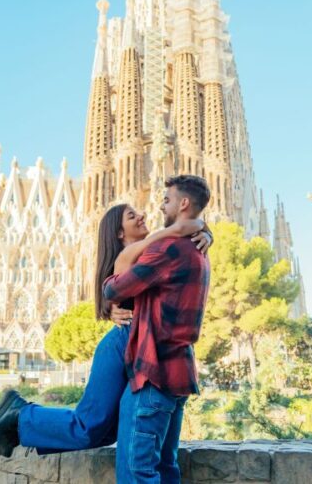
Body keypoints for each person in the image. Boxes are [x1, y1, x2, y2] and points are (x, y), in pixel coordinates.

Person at [0, 202, 212, 457]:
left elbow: (182, 230)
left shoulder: (147, 252)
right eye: (131, 215)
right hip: (121, 344)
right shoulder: (129, 256)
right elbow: (174, 233)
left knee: (105, 431)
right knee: (89, 425)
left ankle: (18, 429)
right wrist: (189, 228)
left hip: (134, 344)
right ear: (119, 233)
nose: (142, 216)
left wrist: (203, 232)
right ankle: (20, 414)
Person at [103, 175, 212, 483]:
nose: (160, 205)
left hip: (155, 374)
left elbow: (114, 290)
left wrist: (159, 237)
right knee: (166, 469)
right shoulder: (199, 249)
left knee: (140, 472)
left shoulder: (168, 249)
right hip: (180, 374)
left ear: (183, 204)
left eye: (166, 200)